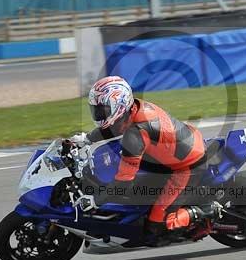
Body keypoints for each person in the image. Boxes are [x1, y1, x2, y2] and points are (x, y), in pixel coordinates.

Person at [75, 75, 216, 237]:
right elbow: (113, 127)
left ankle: (207, 210)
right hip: (174, 151)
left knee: (157, 224)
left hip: (187, 166)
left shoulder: (135, 134)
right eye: (96, 109)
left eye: (102, 110)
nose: (98, 114)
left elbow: (122, 183)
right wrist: (86, 139)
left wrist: (95, 201)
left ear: (119, 106)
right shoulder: (133, 109)